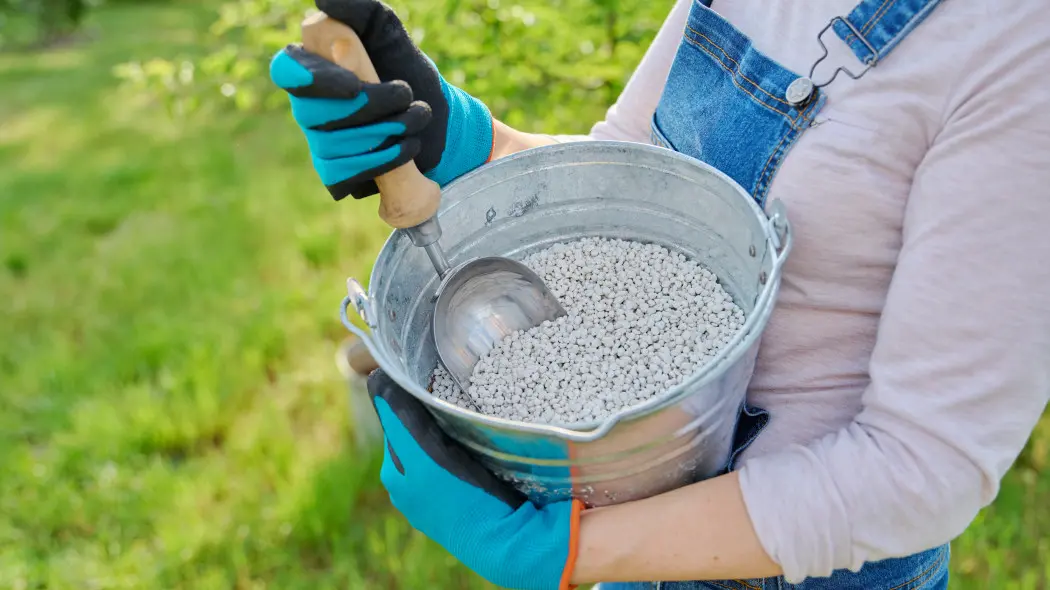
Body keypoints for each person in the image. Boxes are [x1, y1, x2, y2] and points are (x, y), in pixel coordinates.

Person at [269, 0, 1050, 587]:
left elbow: (923, 469)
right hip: (633, 527)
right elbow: (638, 177)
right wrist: (465, 143)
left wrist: (571, 550)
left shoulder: (1020, 50)